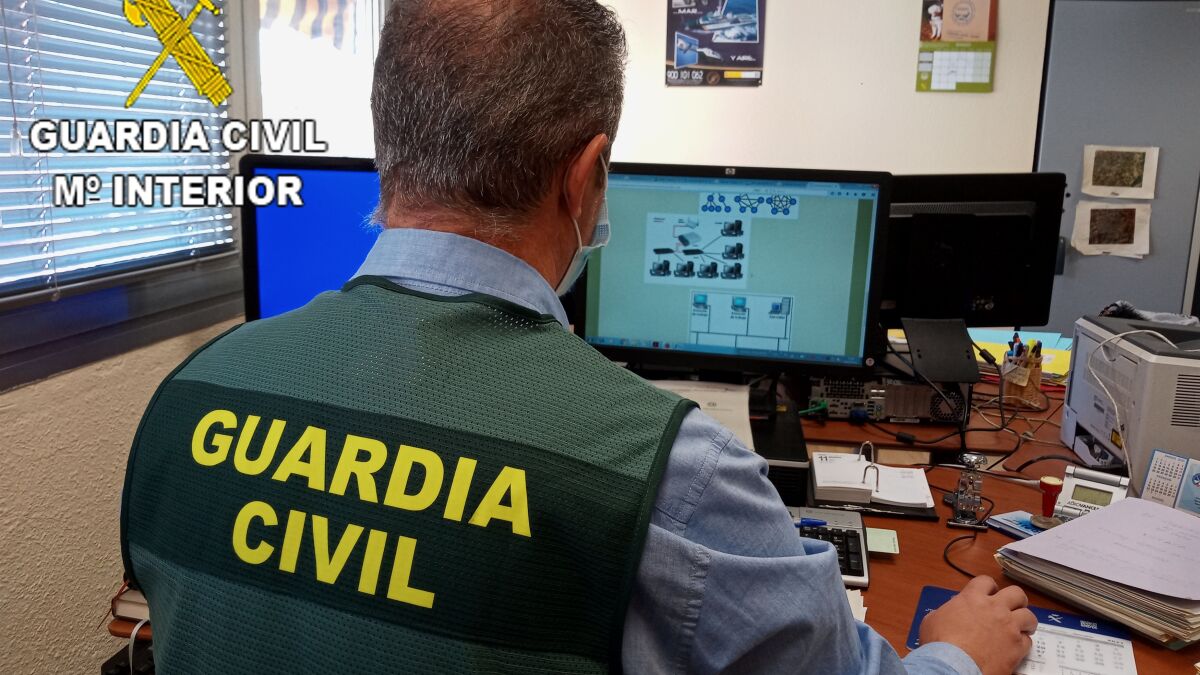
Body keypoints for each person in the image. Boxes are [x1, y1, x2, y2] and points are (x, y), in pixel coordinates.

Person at [120, 1, 1037, 673]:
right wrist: (957, 651)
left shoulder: (189, 396)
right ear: (588, 176)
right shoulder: (673, 471)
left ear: (388, 142)